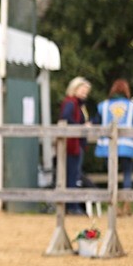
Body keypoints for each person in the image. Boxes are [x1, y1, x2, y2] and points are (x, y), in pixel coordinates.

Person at [94, 79, 133, 216]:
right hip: (127, 145)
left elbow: (96, 122)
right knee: (127, 173)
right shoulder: (132, 106)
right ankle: (127, 204)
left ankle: (113, 204)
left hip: (108, 146)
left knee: (112, 174)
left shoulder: (103, 106)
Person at [58, 76, 92, 214]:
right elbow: (65, 118)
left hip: (77, 144)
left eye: (86, 91)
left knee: (75, 175)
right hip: (72, 145)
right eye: (82, 90)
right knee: (72, 175)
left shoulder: (78, 105)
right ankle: (72, 206)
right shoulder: (71, 103)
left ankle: (72, 205)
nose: (85, 93)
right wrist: (81, 126)